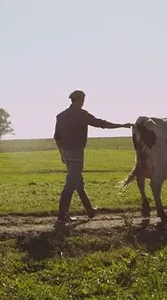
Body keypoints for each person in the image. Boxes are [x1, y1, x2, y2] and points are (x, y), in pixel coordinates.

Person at [54, 89, 132, 225]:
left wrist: (62, 153)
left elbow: (57, 137)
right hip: (77, 152)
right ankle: (62, 215)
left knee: (78, 181)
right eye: (83, 100)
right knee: (71, 183)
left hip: (66, 152)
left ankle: (90, 210)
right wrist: (121, 125)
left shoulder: (61, 116)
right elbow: (101, 123)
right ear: (80, 100)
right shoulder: (81, 114)